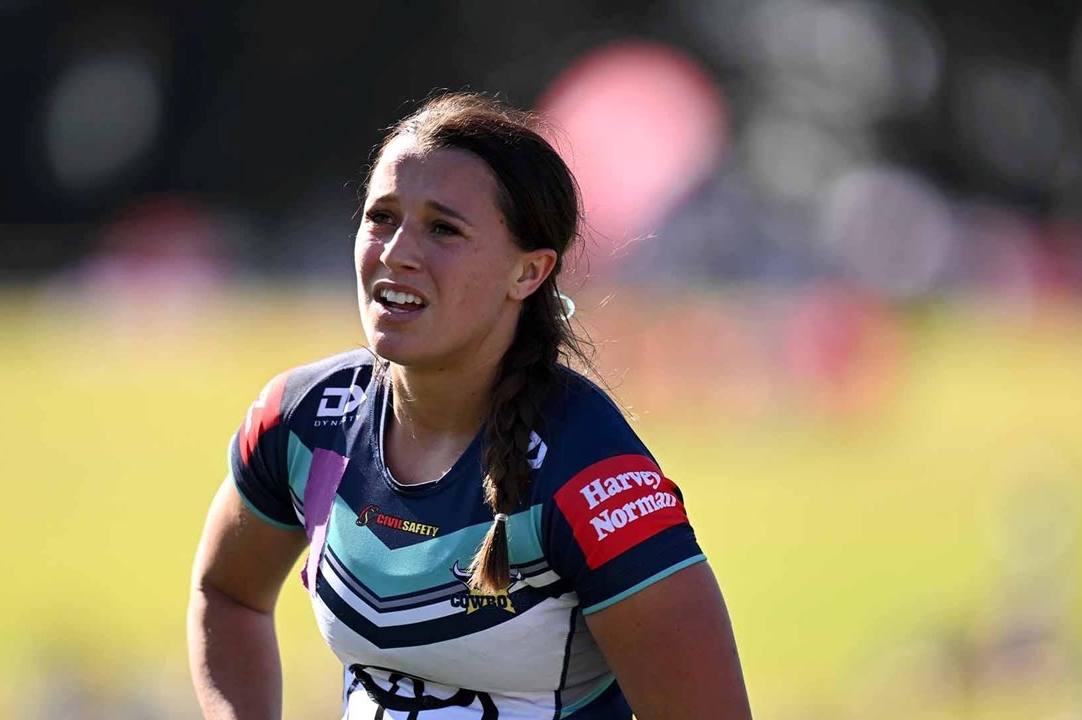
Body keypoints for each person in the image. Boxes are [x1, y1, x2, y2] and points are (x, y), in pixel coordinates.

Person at [187, 92, 752, 719]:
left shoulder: (591, 476)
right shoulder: (305, 420)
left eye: (443, 229)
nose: (398, 252)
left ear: (528, 273)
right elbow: (228, 594)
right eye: (382, 217)